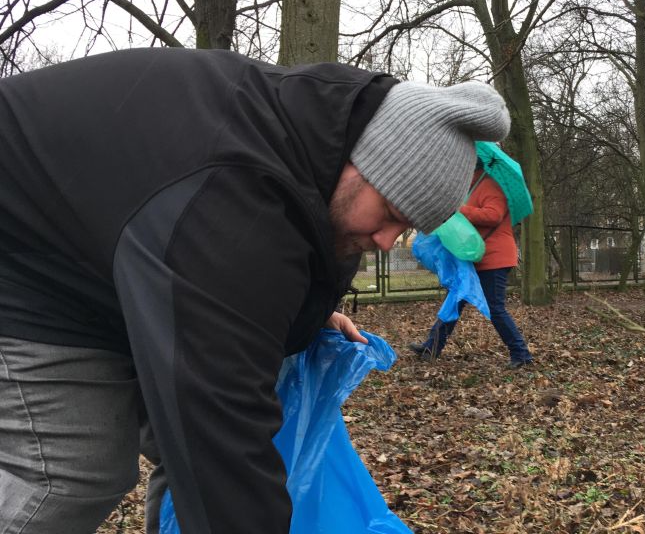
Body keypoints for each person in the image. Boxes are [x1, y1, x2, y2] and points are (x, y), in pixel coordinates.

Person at [0, 48, 511, 534]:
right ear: (364, 163)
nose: (385, 241)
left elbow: (268, 270)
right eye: (393, 215)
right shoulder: (231, 196)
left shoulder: (300, 146)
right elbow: (220, 429)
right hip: (24, 255)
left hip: (97, 263)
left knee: (177, 446)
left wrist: (307, 316)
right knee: (70, 468)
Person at [407, 166, 534, 369]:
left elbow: (493, 215)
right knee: (455, 301)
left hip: (495, 258)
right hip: (474, 258)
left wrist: (461, 210)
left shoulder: (492, 185)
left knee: (495, 307)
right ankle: (431, 348)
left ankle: (521, 354)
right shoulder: (470, 187)